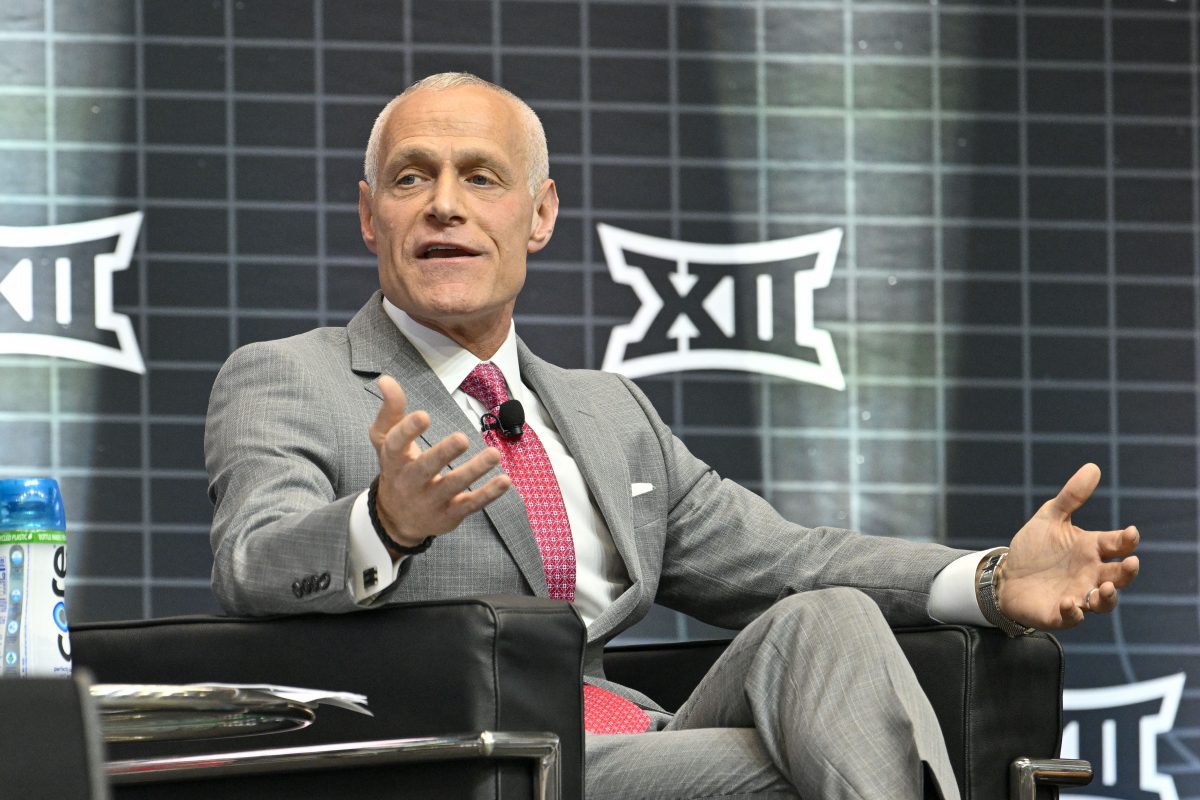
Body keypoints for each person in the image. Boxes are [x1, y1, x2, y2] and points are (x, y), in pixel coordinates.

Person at [205, 72, 1140, 800]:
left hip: (639, 740)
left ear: (538, 216)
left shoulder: (610, 412)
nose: (444, 203)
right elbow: (252, 559)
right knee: (822, 768)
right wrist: (384, 522)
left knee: (829, 618)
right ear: (373, 216)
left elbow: (787, 560)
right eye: (413, 178)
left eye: (479, 177)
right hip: (474, 759)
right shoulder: (294, 376)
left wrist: (987, 581)